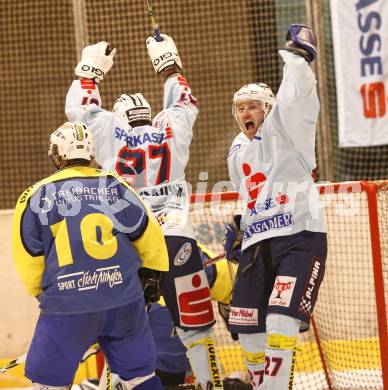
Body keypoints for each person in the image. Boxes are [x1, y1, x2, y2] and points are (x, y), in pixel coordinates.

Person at [65, 35, 223, 389]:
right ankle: (210, 382)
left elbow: (81, 110)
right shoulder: (170, 126)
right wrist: (169, 63)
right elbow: (185, 102)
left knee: (122, 331)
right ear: (148, 114)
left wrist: (89, 71)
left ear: (120, 116)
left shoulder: (108, 129)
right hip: (177, 241)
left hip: (131, 246)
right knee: (195, 326)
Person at [12, 122, 169, 390]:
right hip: (124, 301)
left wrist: (42, 293)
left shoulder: (35, 194)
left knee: (48, 384)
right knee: (140, 377)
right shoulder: (115, 184)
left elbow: (29, 254)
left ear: (59, 154)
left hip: (67, 304)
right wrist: (151, 282)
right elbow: (149, 234)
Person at [224, 25, 327, 389]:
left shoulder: (288, 128)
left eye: (253, 105)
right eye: (241, 107)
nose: (246, 112)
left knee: (282, 321)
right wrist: (241, 226)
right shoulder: (236, 151)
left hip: (299, 238)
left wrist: (296, 58)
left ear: (268, 108)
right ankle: (259, 383)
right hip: (257, 245)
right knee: (247, 328)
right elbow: (251, 195)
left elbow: (298, 99)